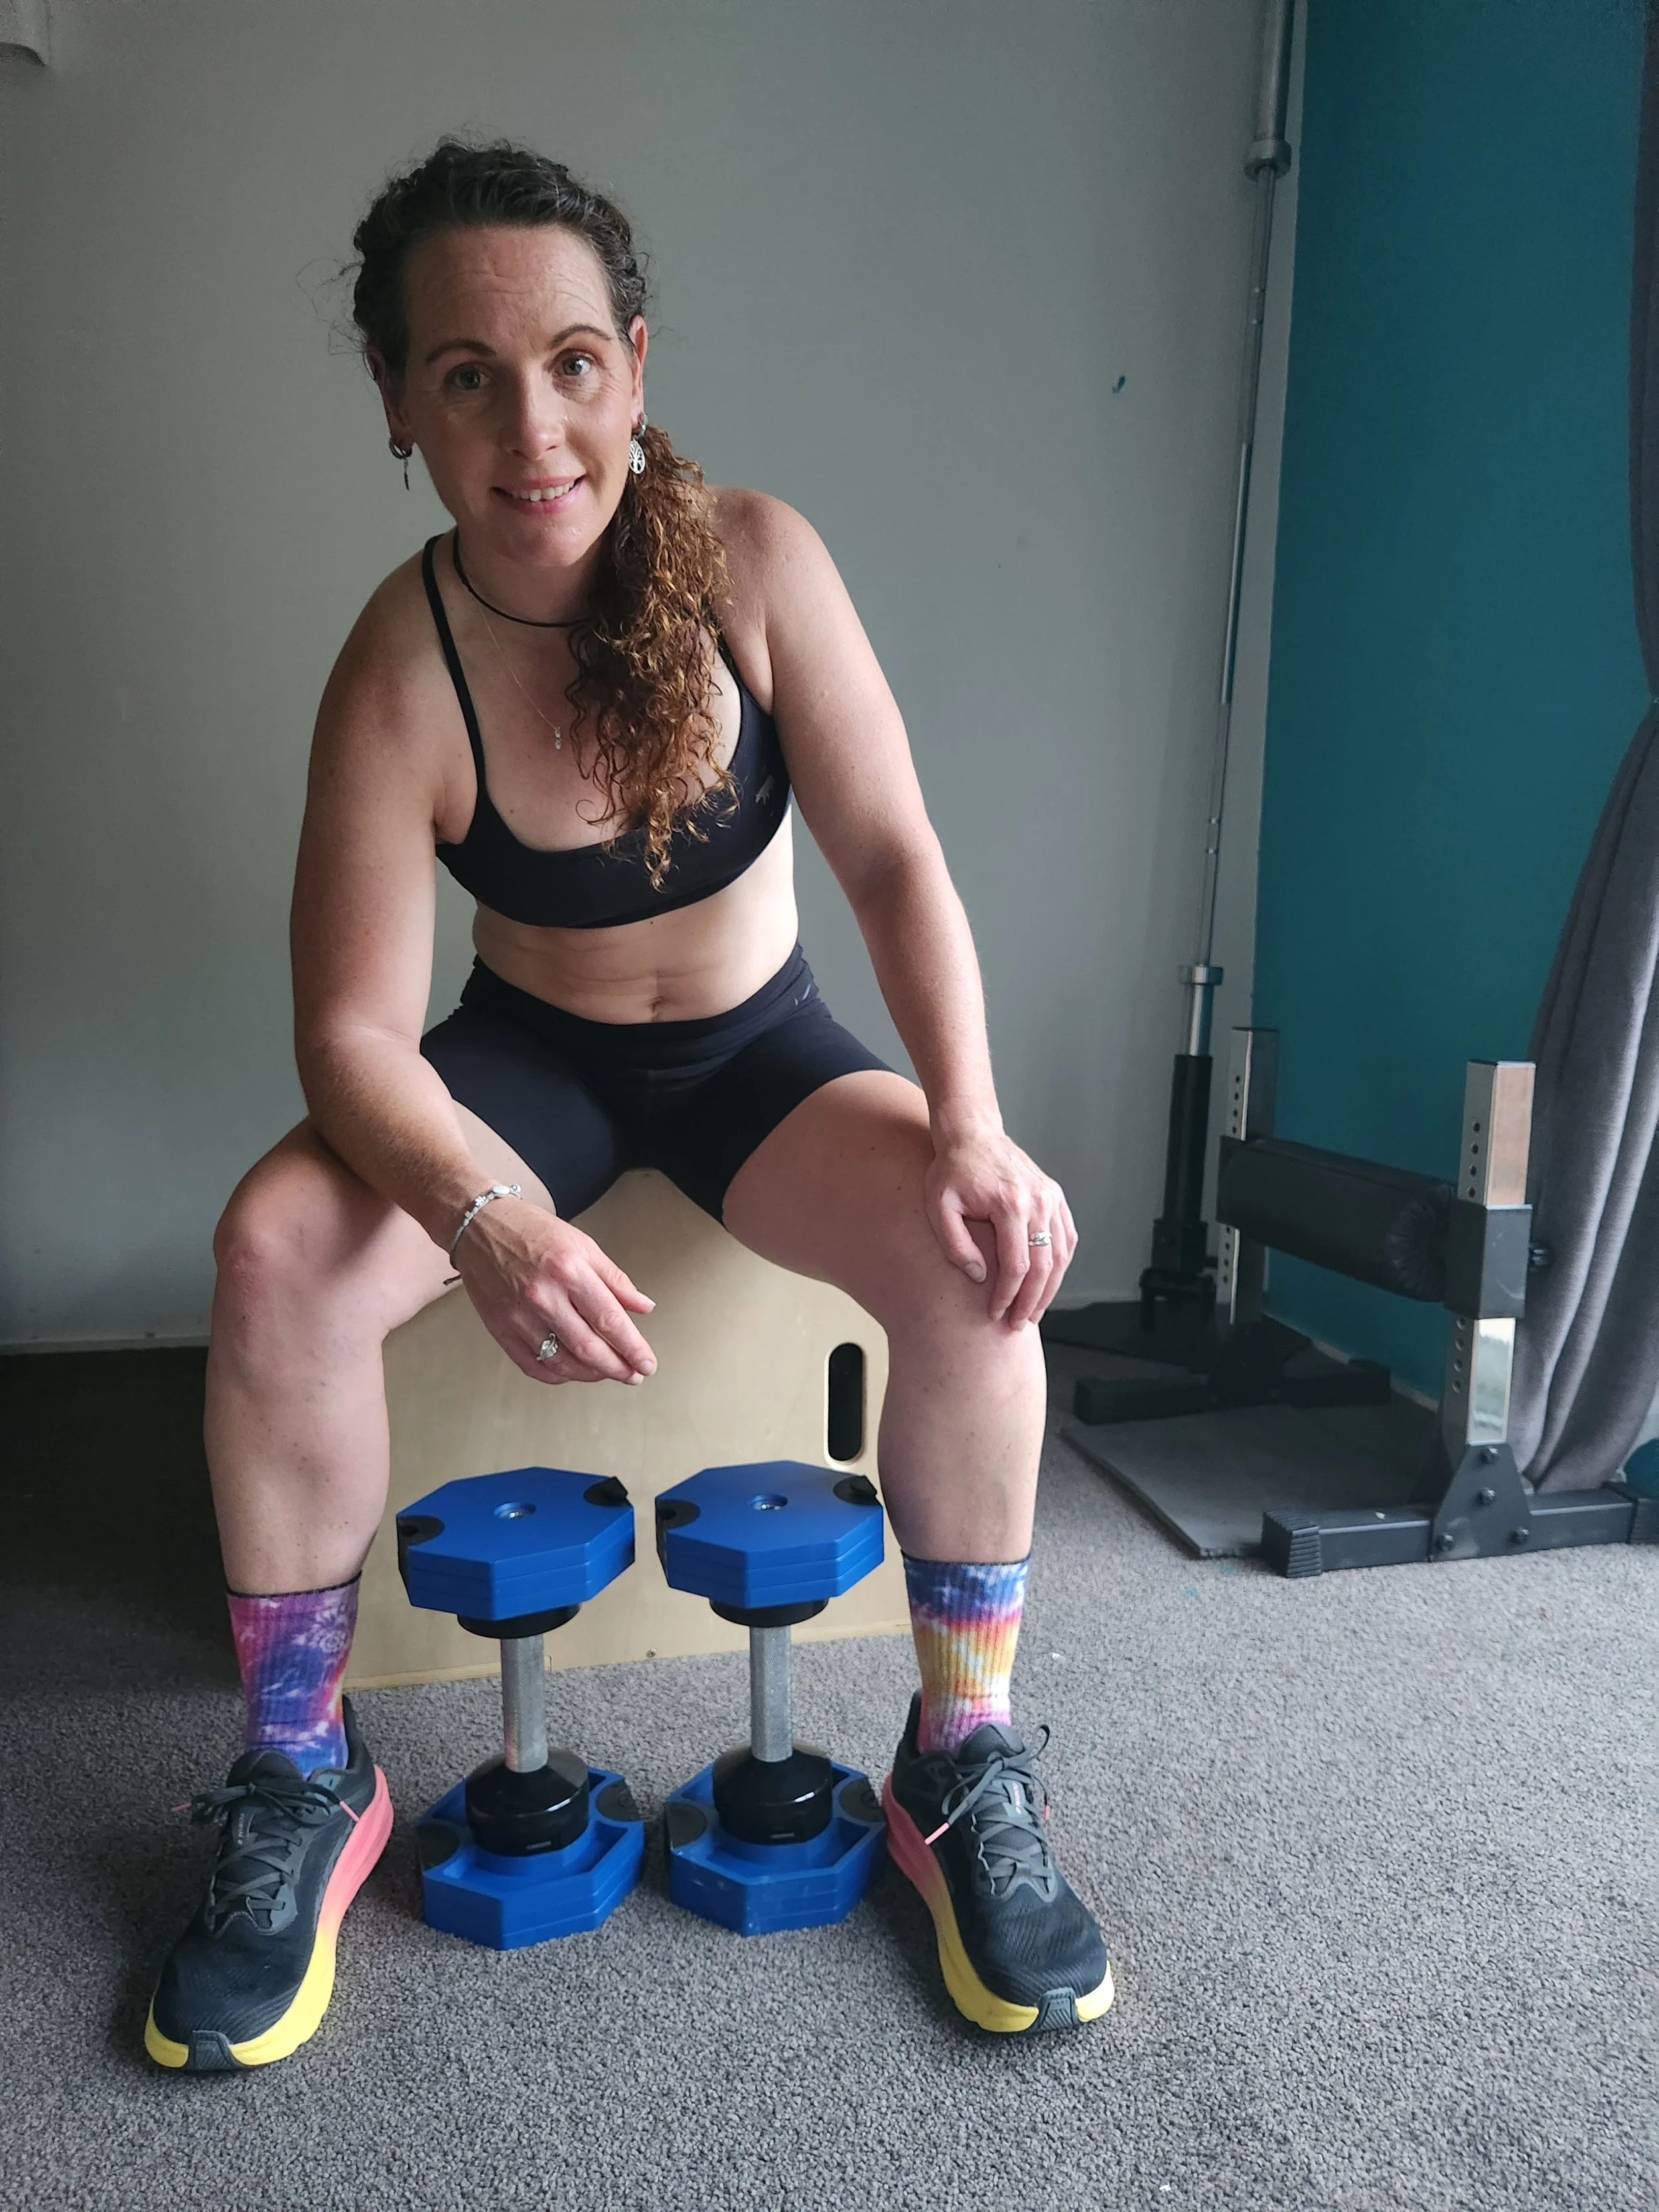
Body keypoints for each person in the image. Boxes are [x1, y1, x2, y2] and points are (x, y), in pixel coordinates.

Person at [145, 138, 1112, 2073]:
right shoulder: (396, 663)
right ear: (397, 399)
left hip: (762, 1053)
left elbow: (896, 857)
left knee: (971, 1244)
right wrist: (480, 1213)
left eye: (573, 361)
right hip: (529, 1067)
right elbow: (350, 1035)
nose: (532, 427)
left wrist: (976, 1122)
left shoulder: (755, 564)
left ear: (637, 364)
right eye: (469, 375)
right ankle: (301, 1770)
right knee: (272, 1248)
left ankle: (959, 1754)